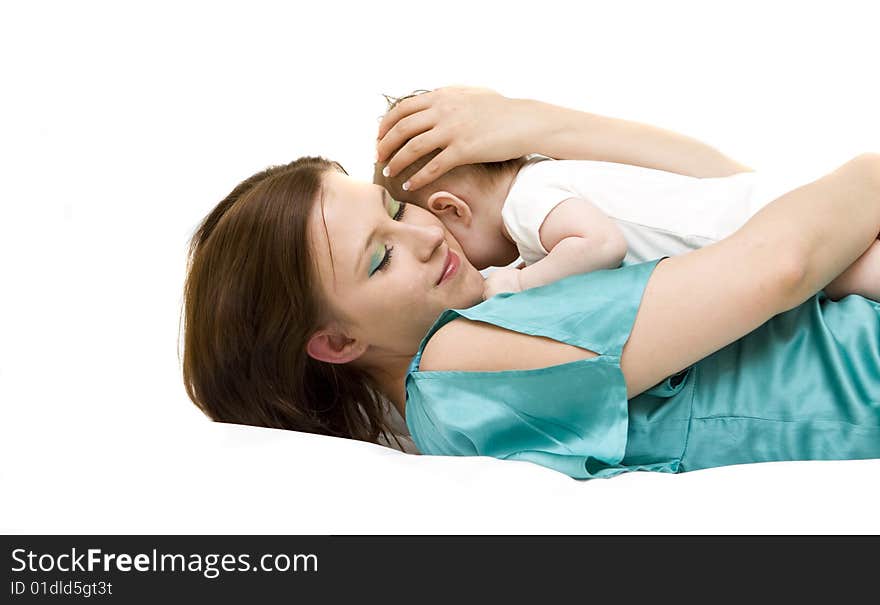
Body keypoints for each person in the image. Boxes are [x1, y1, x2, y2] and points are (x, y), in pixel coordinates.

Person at [182, 87, 880, 479]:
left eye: (396, 209)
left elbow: (734, 197)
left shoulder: (492, 302)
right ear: (334, 340)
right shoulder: (455, 374)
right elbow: (779, 261)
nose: (428, 234)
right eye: (379, 258)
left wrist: (537, 126)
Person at [374, 91, 880, 302]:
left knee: (855, 274)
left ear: (451, 208)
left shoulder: (525, 206)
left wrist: (517, 284)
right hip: (755, 210)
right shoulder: (552, 173)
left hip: (752, 228)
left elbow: (599, 245)